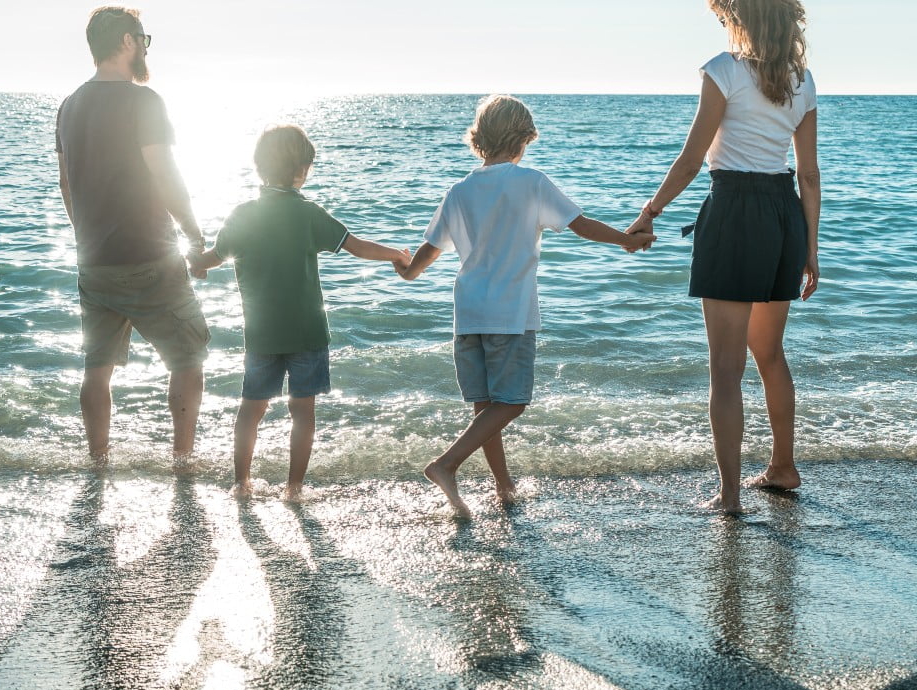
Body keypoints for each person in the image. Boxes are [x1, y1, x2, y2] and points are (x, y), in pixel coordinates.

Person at [398, 95, 655, 518]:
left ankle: (504, 486)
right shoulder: (531, 182)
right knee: (512, 402)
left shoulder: (459, 190)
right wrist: (627, 240)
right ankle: (446, 464)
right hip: (509, 312)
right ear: (522, 139)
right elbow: (581, 225)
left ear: (480, 139)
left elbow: (428, 251)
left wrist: (407, 272)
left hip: (468, 313)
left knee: (487, 407)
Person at [625, 0, 820, 513]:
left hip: (734, 211)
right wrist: (811, 249)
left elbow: (692, 160)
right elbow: (809, 176)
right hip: (784, 217)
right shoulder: (803, 79)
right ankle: (783, 467)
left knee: (726, 367)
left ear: (742, 19)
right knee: (770, 354)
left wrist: (650, 211)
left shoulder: (724, 70)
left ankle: (730, 495)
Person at [189, 125, 411, 501]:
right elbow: (356, 247)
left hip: (262, 334)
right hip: (308, 332)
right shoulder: (309, 213)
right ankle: (294, 488)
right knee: (302, 411)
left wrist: (193, 264)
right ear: (300, 171)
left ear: (260, 167)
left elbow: (213, 258)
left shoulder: (242, 214)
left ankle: (241, 483)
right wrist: (398, 254)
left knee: (252, 408)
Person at [55, 6, 210, 466]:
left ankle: (98, 460)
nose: (144, 46)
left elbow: (66, 183)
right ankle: (182, 460)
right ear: (126, 41)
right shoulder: (145, 101)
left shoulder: (69, 105)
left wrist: (85, 235)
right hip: (147, 257)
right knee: (187, 357)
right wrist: (195, 237)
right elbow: (165, 174)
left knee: (96, 368)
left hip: (93, 259)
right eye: (143, 37)